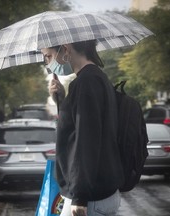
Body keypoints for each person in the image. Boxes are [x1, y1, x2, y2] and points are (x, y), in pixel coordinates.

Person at [41, 40, 124, 216]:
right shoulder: (95, 78)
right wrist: (61, 101)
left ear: (65, 49)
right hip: (99, 192)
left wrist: (80, 197)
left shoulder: (86, 83)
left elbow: (87, 141)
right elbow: (81, 128)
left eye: (48, 56)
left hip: (90, 197)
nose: (48, 64)